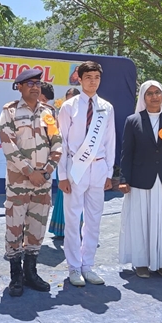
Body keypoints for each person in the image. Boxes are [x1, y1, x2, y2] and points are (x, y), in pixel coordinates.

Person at [0, 68, 63, 296]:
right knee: (14, 228)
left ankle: (31, 272)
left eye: (38, 83)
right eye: (29, 83)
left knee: (37, 228)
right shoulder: (10, 111)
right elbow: (7, 144)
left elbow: (57, 143)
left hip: (42, 183)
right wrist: (29, 172)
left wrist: (47, 171)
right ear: (19, 87)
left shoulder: (49, 112)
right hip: (19, 183)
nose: (35, 87)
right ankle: (16, 275)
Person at [118, 80, 162, 278]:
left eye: (157, 92)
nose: (154, 96)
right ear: (143, 97)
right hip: (141, 179)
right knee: (141, 221)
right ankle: (141, 263)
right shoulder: (133, 121)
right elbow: (126, 153)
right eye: (149, 93)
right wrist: (124, 178)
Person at [57, 61, 115, 287]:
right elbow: (61, 142)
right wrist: (62, 175)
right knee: (72, 219)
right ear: (79, 79)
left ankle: (88, 265)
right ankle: (74, 267)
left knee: (94, 220)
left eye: (96, 77)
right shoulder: (68, 107)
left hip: (99, 167)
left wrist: (109, 172)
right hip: (75, 167)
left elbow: (110, 141)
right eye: (88, 77)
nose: (93, 81)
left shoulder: (107, 108)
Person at [49, 87, 80, 239]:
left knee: (77, 196)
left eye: (72, 99)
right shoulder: (61, 114)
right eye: (67, 99)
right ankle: (61, 228)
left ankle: (76, 228)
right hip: (63, 160)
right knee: (63, 194)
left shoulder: (83, 116)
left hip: (79, 161)